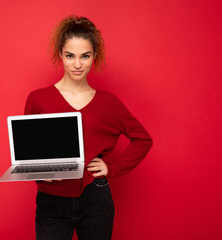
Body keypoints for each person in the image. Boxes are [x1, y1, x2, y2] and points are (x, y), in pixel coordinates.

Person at [24, 15, 153, 240]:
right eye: (70, 56)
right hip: (51, 200)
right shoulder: (38, 99)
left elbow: (143, 139)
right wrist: (41, 172)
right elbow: (29, 153)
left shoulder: (108, 103)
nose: (77, 64)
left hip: (95, 198)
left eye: (85, 56)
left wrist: (111, 167)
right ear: (60, 55)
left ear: (94, 56)